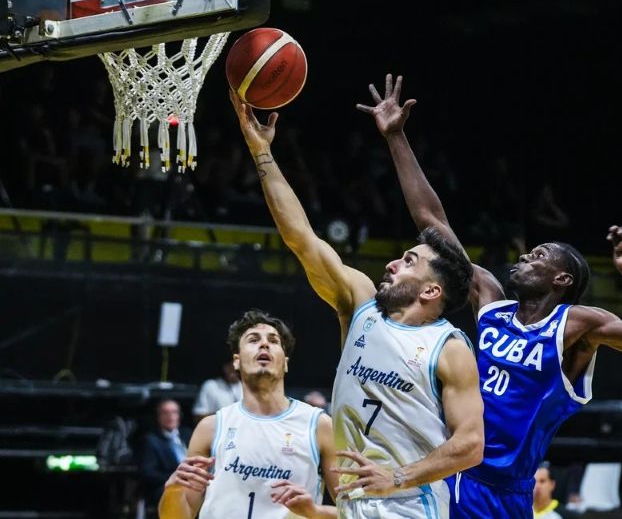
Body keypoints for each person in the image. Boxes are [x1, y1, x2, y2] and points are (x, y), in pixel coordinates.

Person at [357, 73, 622, 519]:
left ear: (562, 280)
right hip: (446, 470)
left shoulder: (577, 325)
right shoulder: (491, 303)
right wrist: (396, 137)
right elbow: (432, 221)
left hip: (503, 493)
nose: (527, 255)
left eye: (540, 255)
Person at [229, 89, 484, 518]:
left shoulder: (449, 348)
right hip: (354, 504)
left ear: (431, 292)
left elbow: (471, 445)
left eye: (409, 262)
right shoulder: (361, 303)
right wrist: (261, 153)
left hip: (409, 505)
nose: (392, 264)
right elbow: (301, 239)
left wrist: (397, 477)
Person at [159, 309, 338, 518]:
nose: (264, 344)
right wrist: (173, 492)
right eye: (253, 340)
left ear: (286, 362)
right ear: (236, 360)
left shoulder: (319, 426)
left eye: (273, 341)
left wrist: (316, 512)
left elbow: (355, 512)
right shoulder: (211, 427)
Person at [137, 398, 192, 516]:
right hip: (167, 486)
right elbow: (148, 473)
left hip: (194, 482)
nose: (170, 416)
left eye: (174, 412)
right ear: (158, 416)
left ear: (179, 415)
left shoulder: (188, 434)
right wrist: (177, 477)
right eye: (165, 413)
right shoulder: (150, 440)